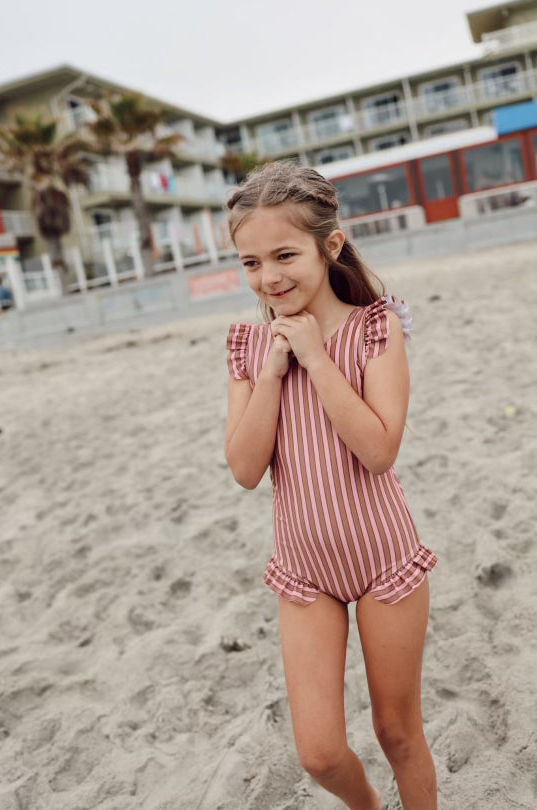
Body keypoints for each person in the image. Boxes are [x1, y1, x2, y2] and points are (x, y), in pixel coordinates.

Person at [224, 162, 437, 810]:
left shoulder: (377, 327)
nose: (270, 277)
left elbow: (378, 451)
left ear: (330, 246)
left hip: (384, 563)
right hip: (304, 574)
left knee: (396, 732)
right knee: (317, 751)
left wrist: (316, 358)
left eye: (284, 254)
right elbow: (245, 469)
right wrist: (272, 370)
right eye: (252, 263)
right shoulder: (245, 348)